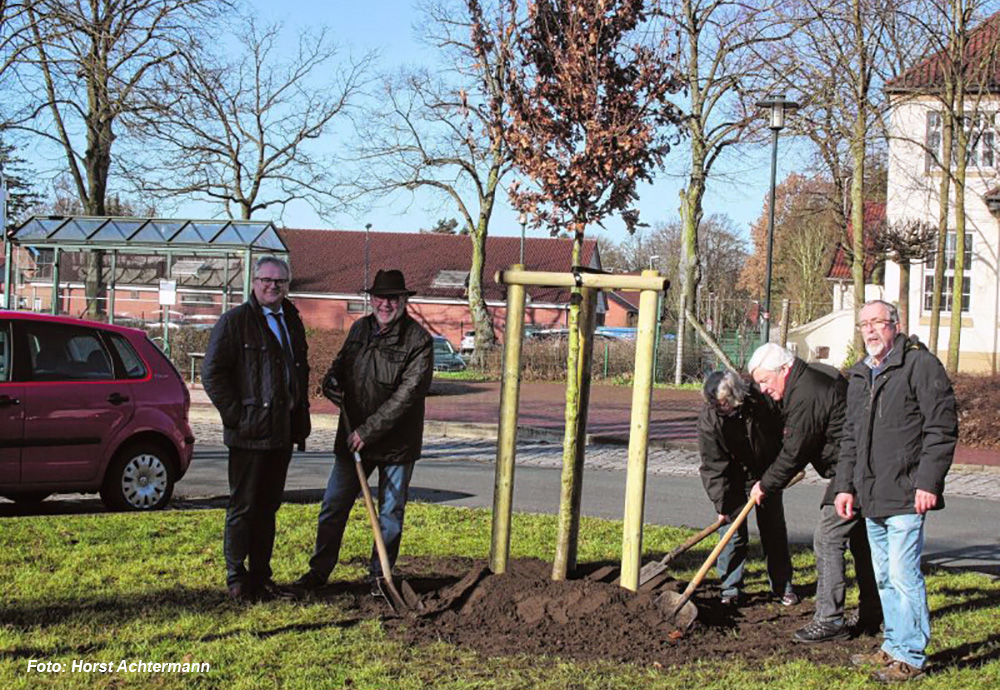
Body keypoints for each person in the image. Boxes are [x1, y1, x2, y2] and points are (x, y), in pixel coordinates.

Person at [835, 300, 958, 682]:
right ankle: (893, 645)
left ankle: (911, 656)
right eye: (863, 325)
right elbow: (850, 438)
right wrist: (844, 486)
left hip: (907, 491)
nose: (870, 331)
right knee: (885, 575)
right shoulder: (860, 375)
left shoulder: (920, 366)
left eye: (878, 323)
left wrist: (928, 482)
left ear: (896, 325)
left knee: (904, 576)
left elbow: (941, 428)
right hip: (872, 494)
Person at [294, 269, 433, 592]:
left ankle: (379, 577)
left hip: (396, 444)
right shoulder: (360, 329)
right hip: (353, 438)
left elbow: (407, 397)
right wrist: (331, 385)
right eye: (380, 298)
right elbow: (339, 368)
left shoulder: (418, 341)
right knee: (333, 505)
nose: (386, 304)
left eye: (393, 298)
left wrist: (368, 431)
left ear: (403, 301)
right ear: (372, 300)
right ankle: (319, 572)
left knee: (390, 513)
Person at [747, 342, 880, 643]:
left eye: (765, 381)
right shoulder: (806, 381)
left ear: (784, 369)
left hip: (856, 469)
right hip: (857, 466)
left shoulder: (806, 393)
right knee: (861, 541)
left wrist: (765, 484)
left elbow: (795, 450)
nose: (763, 389)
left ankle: (830, 619)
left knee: (828, 537)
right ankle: (874, 610)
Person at [202, 256, 311, 601]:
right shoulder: (235, 322)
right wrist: (237, 416)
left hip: (281, 434)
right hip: (249, 434)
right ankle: (237, 578)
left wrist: (300, 420)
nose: (272, 286)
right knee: (243, 507)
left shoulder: (291, 321)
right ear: (253, 282)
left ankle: (262, 576)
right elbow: (212, 374)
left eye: (279, 282)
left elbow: (299, 370)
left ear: (287, 285)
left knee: (268, 508)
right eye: (266, 279)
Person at [698, 370, 795, 607]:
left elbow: (782, 424)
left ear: (736, 397)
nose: (719, 409)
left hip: (767, 472)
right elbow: (713, 466)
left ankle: (782, 586)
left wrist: (775, 474)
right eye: (714, 404)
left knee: (773, 530)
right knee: (732, 535)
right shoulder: (710, 421)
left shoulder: (760, 400)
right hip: (732, 480)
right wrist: (723, 504)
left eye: (723, 404)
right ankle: (731, 588)